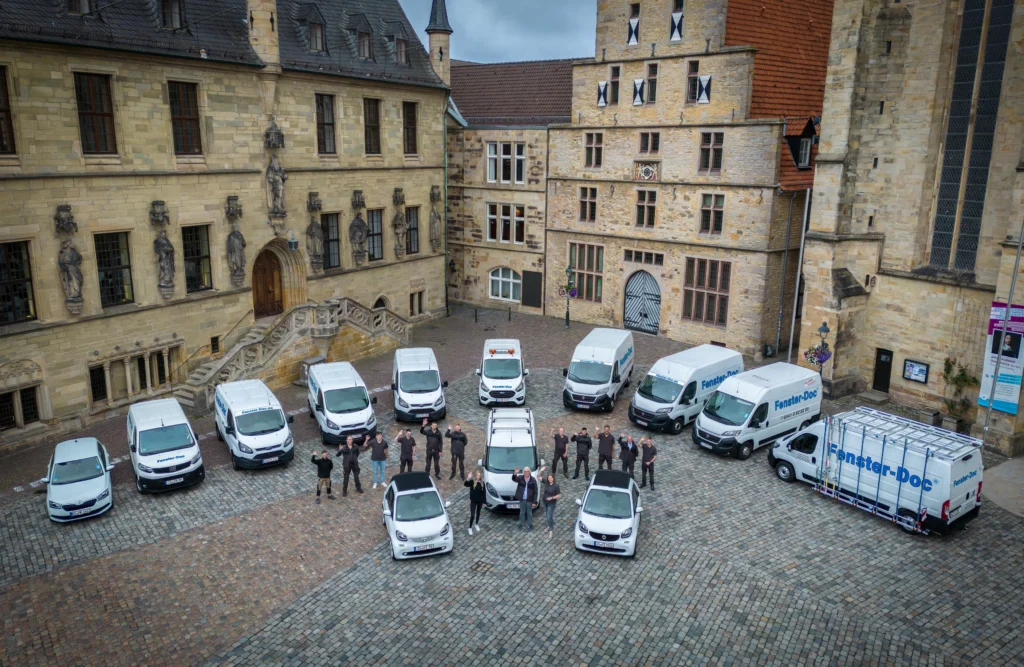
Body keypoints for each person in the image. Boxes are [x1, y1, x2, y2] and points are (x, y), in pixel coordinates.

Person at [511, 466, 539, 531]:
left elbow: (535, 491)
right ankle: (521, 524)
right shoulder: (520, 478)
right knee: (522, 512)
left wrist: (534, 502)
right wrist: (515, 473)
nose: (526, 473)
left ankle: (530, 525)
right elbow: (514, 479)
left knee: (529, 513)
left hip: (529, 499)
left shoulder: (533, 480)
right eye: (525, 471)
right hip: (522, 499)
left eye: (527, 471)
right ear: (523, 472)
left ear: (529, 472)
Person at [540, 467, 561, 539]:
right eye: (549, 478)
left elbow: (559, 495)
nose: (550, 479)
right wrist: (541, 471)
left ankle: (551, 530)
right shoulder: (546, 482)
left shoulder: (556, 486)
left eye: (551, 478)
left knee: (549, 517)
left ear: (553, 478)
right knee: (547, 516)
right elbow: (538, 477)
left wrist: (551, 498)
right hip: (545, 502)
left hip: (551, 503)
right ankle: (549, 526)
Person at [464, 470, 486, 536]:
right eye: (477, 475)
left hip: (480, 501)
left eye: (479, 475)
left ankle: (476, 524)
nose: (478, 477)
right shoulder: (472, 482)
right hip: (473, 501)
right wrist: (468, 478)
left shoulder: (482, 483)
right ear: (475, 476)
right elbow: (465, 484)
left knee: (478, 513)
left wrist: (484, 502)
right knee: (472, 515)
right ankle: (470, 528)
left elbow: (484, 493)